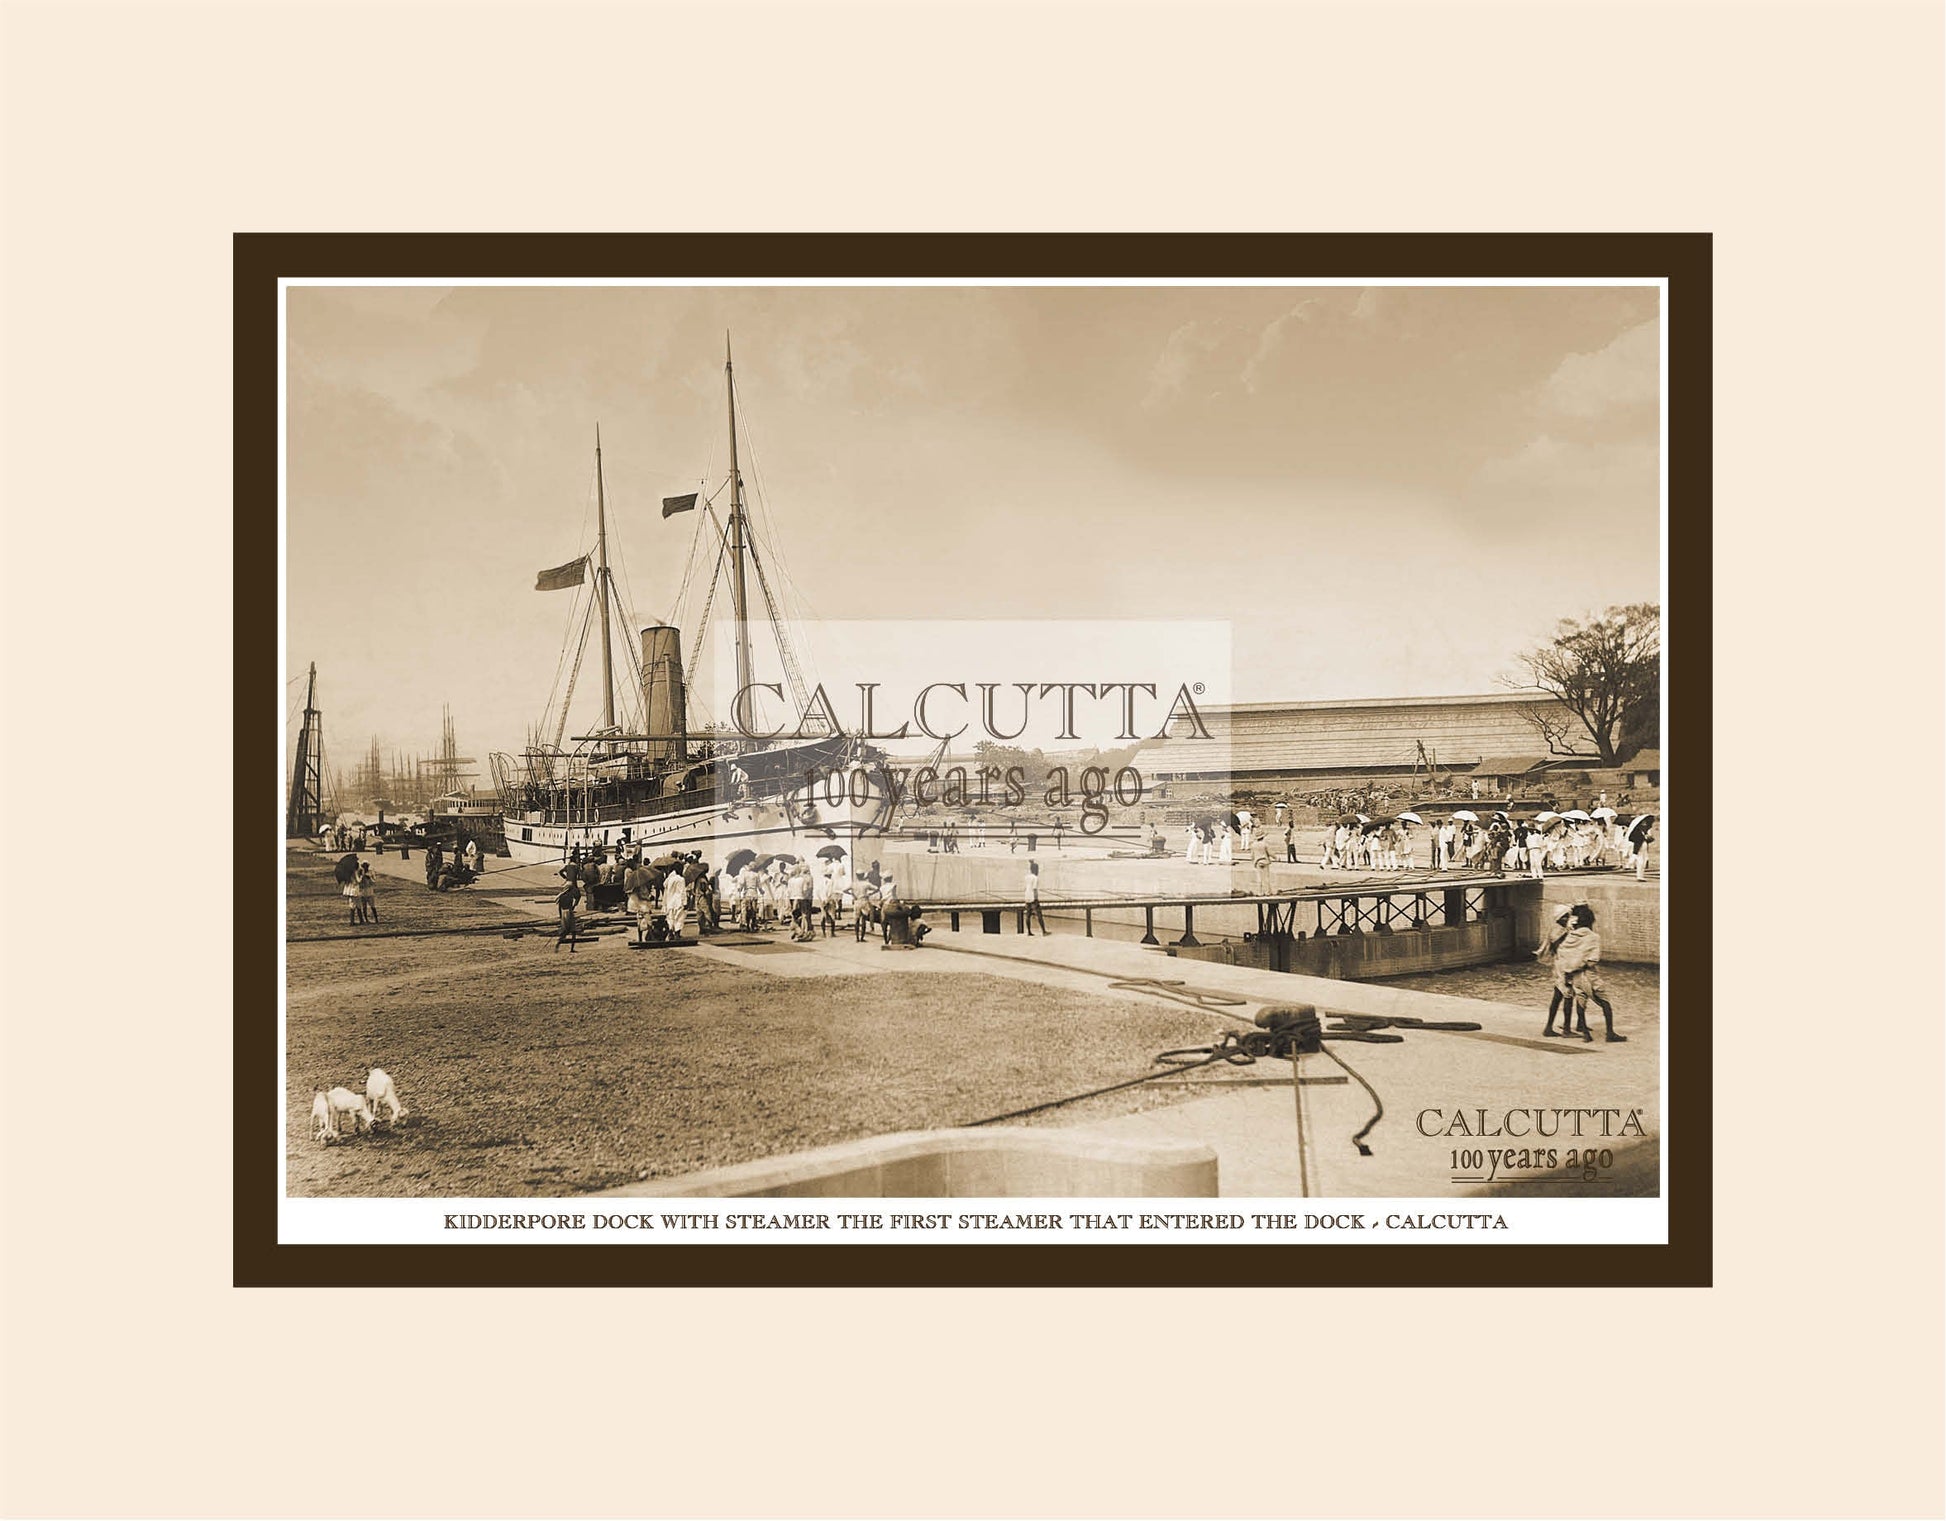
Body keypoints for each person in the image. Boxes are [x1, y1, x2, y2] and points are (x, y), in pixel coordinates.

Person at [1558, 904, 1625, 1042]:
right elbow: (1592, 961)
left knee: (1581, 1001)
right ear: (1591, 921)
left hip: (1574, 976)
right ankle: (1610, 1033)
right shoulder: (1593, 937)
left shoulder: (1571, 936)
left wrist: (1570, 967)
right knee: (1605, 1002)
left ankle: (1586, 1034)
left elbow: (1562, 952)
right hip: (1589, 975)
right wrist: (1582, 963)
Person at [1535, 904, 1576, 1036]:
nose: (1566, 919)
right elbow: (1561, 949)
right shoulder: (1559, 932)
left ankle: (1549, 1028)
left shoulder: (1559, 929)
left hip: (1559, 965)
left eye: (1567, 916)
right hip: (1564, 966)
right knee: (1568, 995)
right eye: (1564, 917)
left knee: (1558, 996)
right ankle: (1566, 1029)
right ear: (1558, 918)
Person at [554, 879, 582, 952]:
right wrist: (574, 906)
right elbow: (577, 899)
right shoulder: (570, 896)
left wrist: (561, 917)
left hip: (563, 913)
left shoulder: (561, 896)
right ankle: (571, 949)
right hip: (569, 913)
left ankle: (558, 943)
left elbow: (559, 908)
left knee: (565, 931)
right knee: (573, 931)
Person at [1023, 859, 1048, 935]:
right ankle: (1043, 931)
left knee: (1028, 915)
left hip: (1027, 896)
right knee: (1039, 914)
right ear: (1036, 870)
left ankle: (1029, 931)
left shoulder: (1026, 877)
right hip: (1033, 897)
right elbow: (1034, 889)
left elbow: (1025, 887)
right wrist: (1036, 898)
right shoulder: (1035, 878)